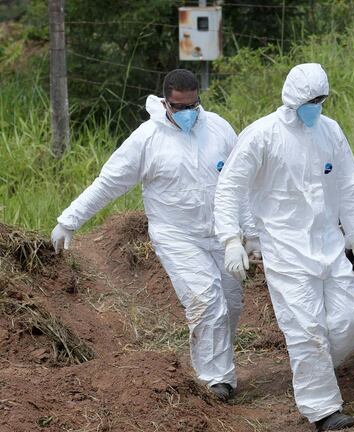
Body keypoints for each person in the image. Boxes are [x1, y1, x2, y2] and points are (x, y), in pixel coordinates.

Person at [50, 69, 260, 401]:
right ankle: (215, 380)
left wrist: (249, 234)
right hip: (177, 235)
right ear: (165, 102)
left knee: (231, 304)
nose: (188, 114)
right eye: (179, 107)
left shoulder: (219, 129)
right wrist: (69, 220)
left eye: (193, 105)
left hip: (221, 234)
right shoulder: (147, 139)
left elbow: (240, 185)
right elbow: (109, 184)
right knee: (206, 301)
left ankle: (220, 364)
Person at [213, 63, 354, 432]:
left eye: (322, 99)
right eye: (311, 100)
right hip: (285, 251)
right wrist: (231, 239)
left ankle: (312, 369)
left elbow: (350, 185)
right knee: (307, 329)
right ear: (294, 98)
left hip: (329, 246)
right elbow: (230, 187)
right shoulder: (262, 135)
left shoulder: (329, 131)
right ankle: (322, 409)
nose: (317, 106)